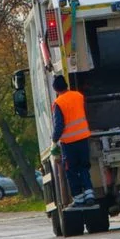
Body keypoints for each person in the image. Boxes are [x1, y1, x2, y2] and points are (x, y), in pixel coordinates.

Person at [51, 74, 96, 205]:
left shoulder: (58, 103)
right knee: (84, 168)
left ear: (55, 89)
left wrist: (54, 140)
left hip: (69, 143)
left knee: (71, 171)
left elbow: (59, 125)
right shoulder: (78, 96)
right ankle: (89, 195)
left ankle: (78, 199)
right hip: (83, 138)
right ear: (66, 85)